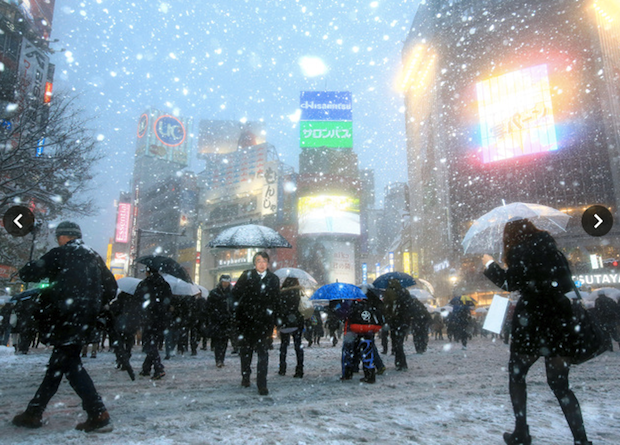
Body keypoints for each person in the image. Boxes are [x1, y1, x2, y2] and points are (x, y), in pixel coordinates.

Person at [483, 217, 592, 445]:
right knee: (560, 385)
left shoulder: (520, 251)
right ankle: (581, 439)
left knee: (517, 375)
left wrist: (489, 265)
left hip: (532, 319)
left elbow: (509, 282)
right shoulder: (553, 251)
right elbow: (566, 284)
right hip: (559, 318)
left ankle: (521, 432)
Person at [12, 221, 117, 433]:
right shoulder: (93, 256)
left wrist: (32, 268)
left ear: (63, 237)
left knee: (70, 366)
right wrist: (91, 303)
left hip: (63, 318)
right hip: (84, 320)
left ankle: (98, 413)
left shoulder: (60, 254)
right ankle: (34, 412)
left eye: (58, 236)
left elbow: (29, 274)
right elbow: (111, 288)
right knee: (59, 366)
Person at [233, 251, 280, 395]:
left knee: (263, 354)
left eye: (264, 261)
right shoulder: (246, 276)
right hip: (247, 321)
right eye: (259, 261)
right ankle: (246, 376)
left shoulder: (273, 279)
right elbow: (235, 295)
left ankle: (262, 384)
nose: (261, 264)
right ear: (254, 263)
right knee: (246, 352)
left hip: (264, 322)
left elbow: (276, 300)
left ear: (268, 263)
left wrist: (275, 320)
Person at [136, 266, 172, 380]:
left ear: (148, 272)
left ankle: (158, 367)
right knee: (153, 343)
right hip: (161, 318)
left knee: (148, 344)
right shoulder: (165, 284)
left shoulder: (145, 284)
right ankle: (146, 368)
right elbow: (169, 300)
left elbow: (137, 299)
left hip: (149, 317)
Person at [276, 277, 305, 378]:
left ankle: (282, 368)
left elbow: (278, 309)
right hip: (296, 323)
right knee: (298, 346)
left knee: (283, 346)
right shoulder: (299, 293)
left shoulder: (281, 294)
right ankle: (299, 369)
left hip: (285, 323)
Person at [383, 279, 414, 371]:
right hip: (404, 321)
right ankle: (402, 363)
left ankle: (399, 362)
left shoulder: (390, 292)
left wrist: (387, 317)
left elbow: (387, 307)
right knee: (399, 342)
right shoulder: (405, 292)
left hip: (395, 320)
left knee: (396, 342)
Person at [205, 274, 233, 367]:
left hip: (227, 320)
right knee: (218, 341)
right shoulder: (214, 293)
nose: (225, 284)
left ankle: (222, 359)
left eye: (227, 283)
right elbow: (208, 307)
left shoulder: (232, 293)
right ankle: (218, 359)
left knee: (224, 341)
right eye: (224, 282)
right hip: (216, 320)